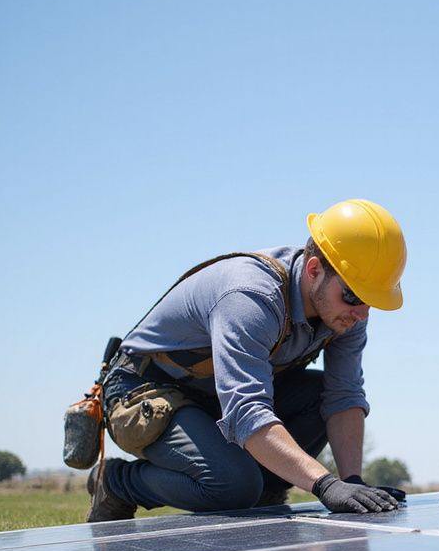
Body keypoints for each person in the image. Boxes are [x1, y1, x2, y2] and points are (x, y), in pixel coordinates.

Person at [86, 199, 408, 521]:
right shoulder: (250, 298)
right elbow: (245, 412)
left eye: (370, 299)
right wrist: (325, 485)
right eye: (353, 295)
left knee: (317, 396)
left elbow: (343, 395)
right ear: (314, 270)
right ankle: (117, 483)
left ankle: (264, 492)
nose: (362, 312)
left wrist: (352, 482)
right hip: (145, 388)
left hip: (216, 396)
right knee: (232, 485)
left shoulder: (346, 315)